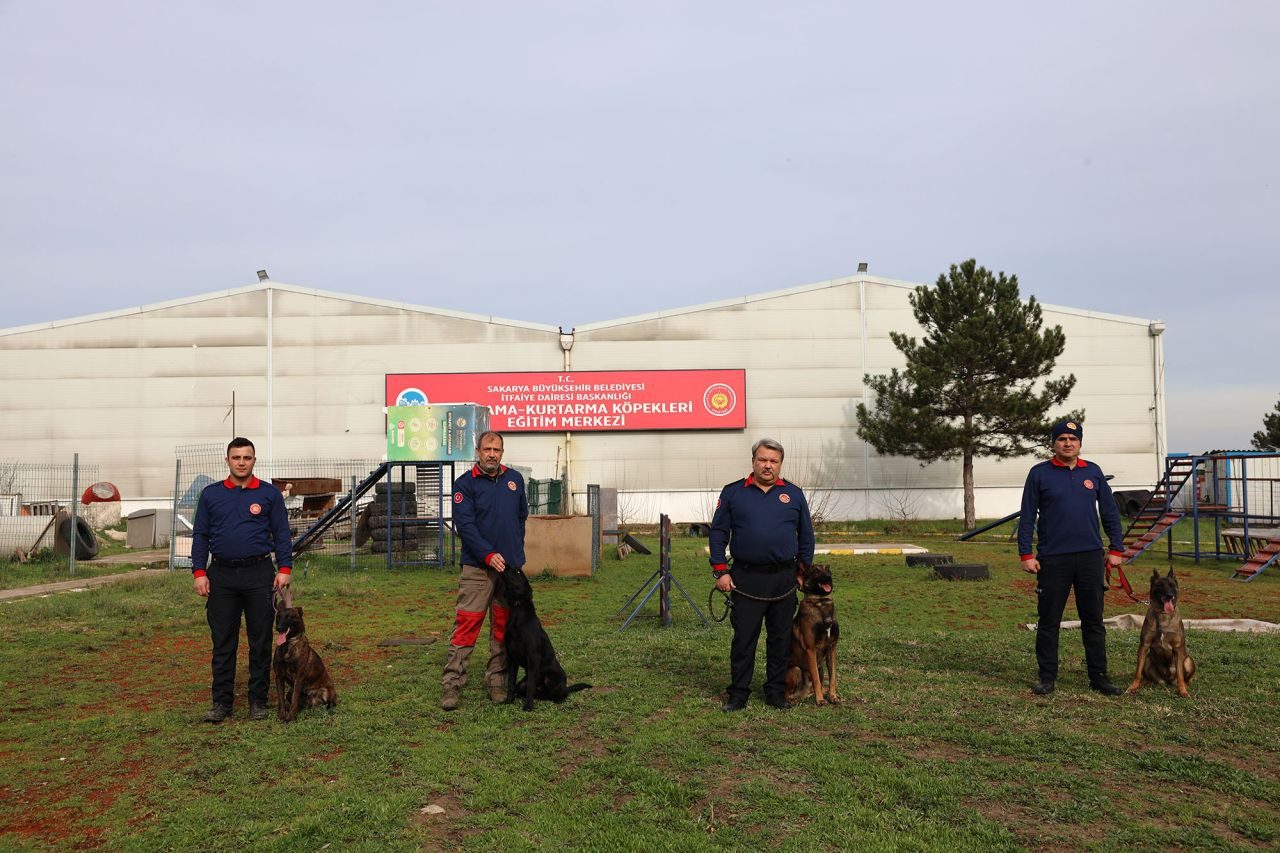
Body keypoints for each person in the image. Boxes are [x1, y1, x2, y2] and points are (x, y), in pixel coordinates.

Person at [1018, 420, 1125, 696]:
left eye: (1073, 438)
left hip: (1090, 557)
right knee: (1049, 620)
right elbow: (1027, 515)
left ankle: (1099, 676)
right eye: (1062, 438)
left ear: (1080, 443)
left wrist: (1116, 549)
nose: (1068, 443)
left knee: (1093, 621)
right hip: (1053, 559)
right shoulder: (1039, 474)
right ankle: (1047, 677)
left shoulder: (1093, 472)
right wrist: (1026, 554)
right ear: (1053, 443)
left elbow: (1111, 513)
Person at [191, 437, 292, 722]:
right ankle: (221, 703)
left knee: (260, 641)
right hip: (221, 576)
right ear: (228, 461)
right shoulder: (211, 495)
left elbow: (282, 534)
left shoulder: (269, 495)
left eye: (247, 457)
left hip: (259, 575)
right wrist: (199, 572)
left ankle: (258, 701)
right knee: (223, 642)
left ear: (254, 461)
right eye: (236, 457)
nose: (241, 462)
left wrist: (285, 568)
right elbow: (200, 535)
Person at [710, 438, 815, 711]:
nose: (768, 465)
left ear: (780, 464)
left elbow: (806, 536)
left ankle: (775, 692)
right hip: (745, 578)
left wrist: (802, 572)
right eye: (763, 459)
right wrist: (720, 570)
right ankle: (738, 694)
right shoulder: (733, 493)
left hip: (784, 579)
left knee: (780, 639)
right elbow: (719, 532)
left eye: (774, 461)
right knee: (744, 639)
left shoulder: (794, 494)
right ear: (753, 461)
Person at [441, 430, 528, 711]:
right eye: (487, 449)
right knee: (467, 626)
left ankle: (496, 681)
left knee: (503, 628)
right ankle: (452, 684)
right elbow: (465, 527)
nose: (492, 454)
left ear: (502, 453)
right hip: (477, 569)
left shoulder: (515, 481)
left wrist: (514, 554)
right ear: (477, 451)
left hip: (509, 571)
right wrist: (488, 555)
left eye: (497, 450)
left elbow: (521, 518)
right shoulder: (464, 485)